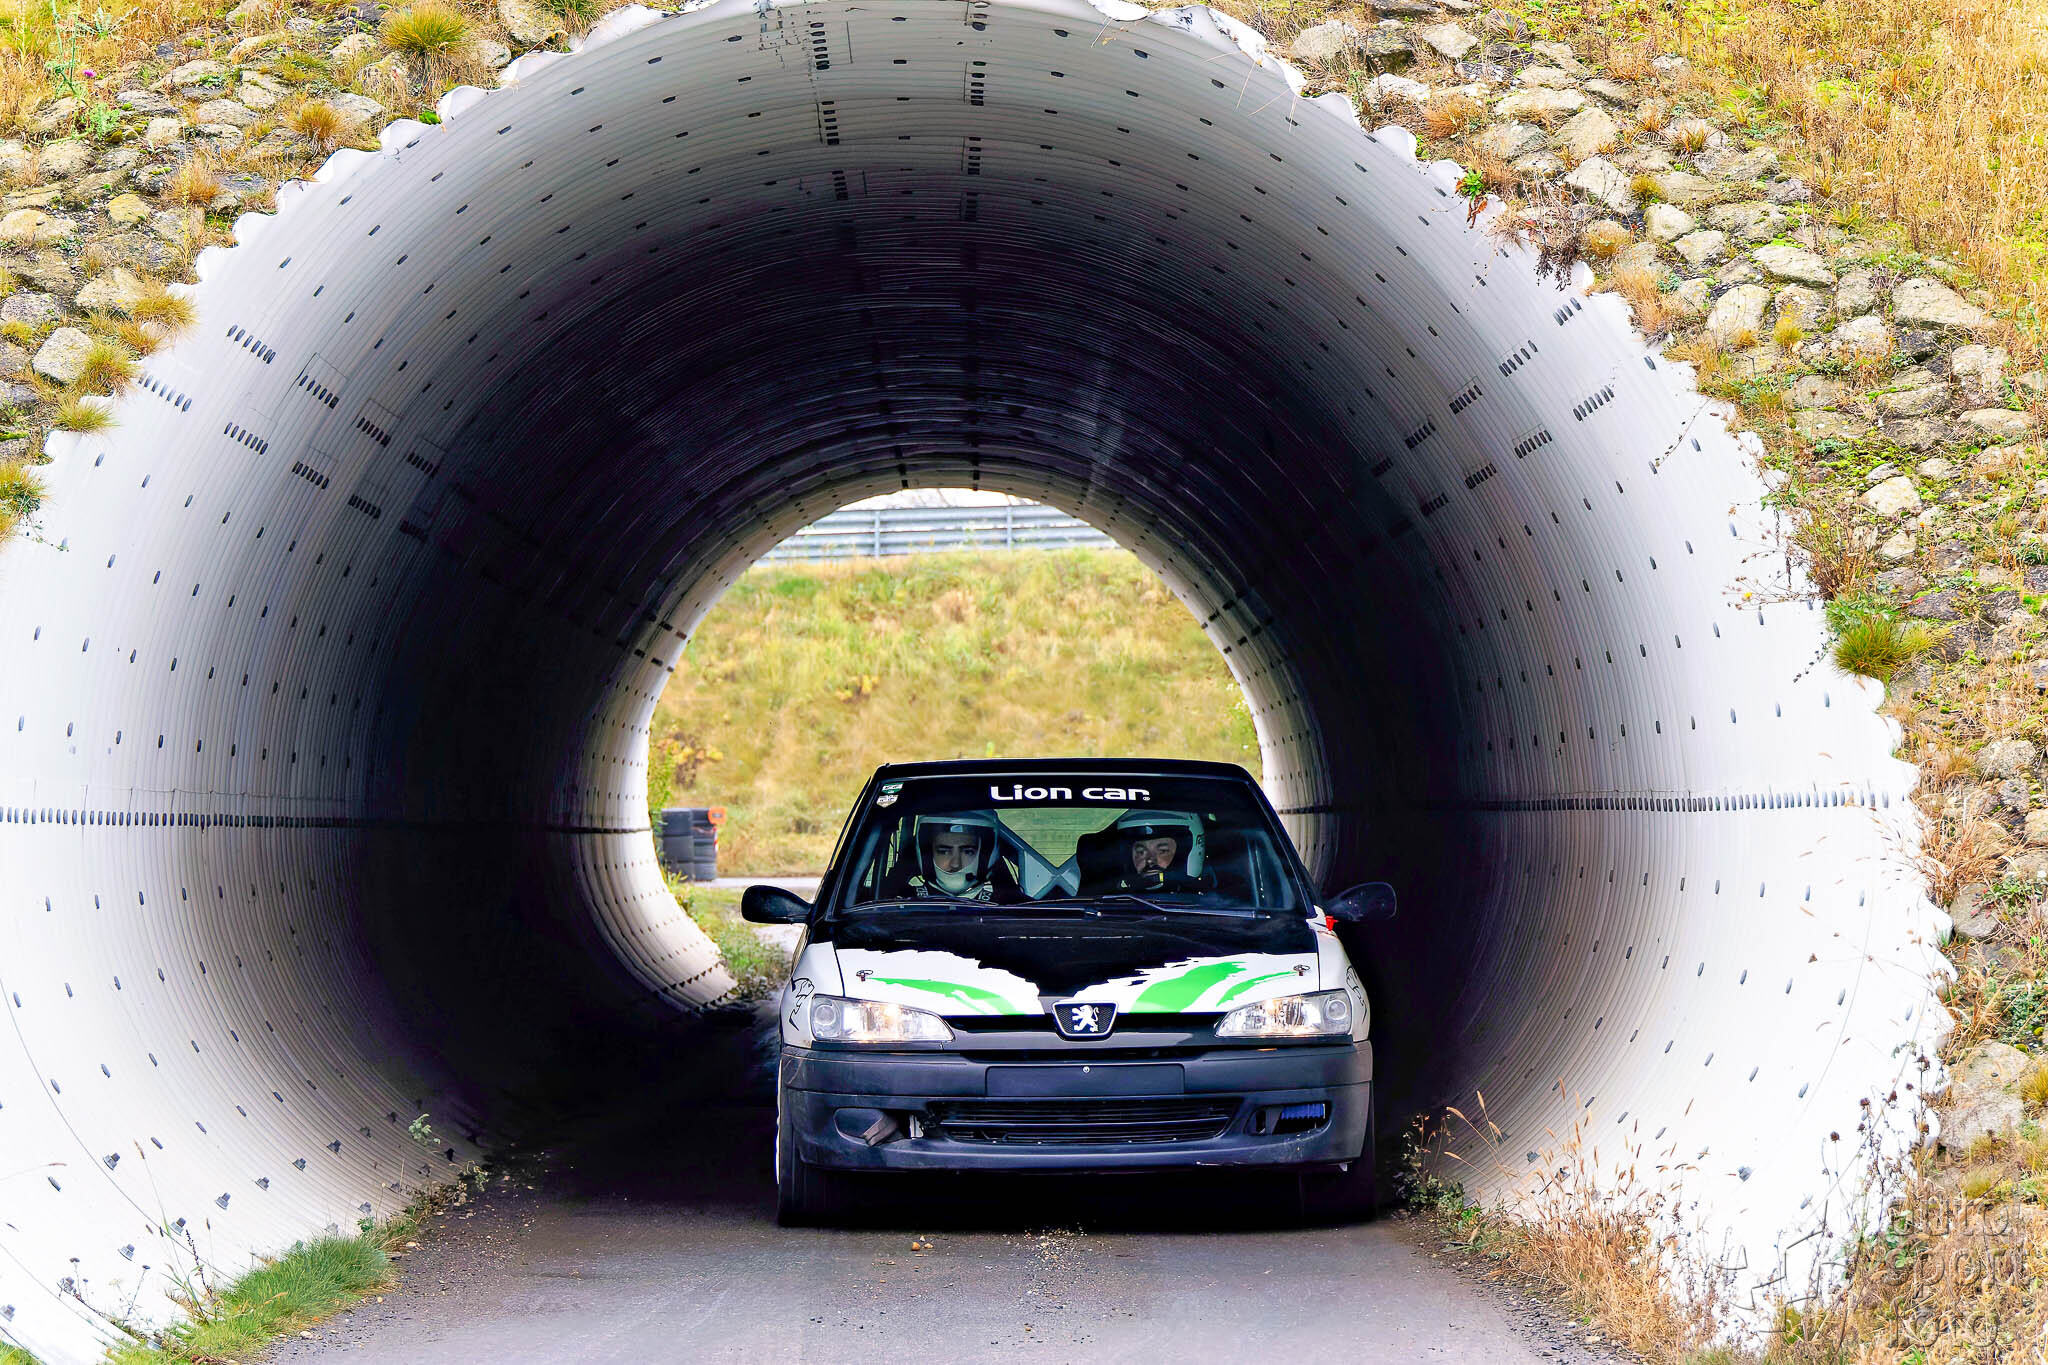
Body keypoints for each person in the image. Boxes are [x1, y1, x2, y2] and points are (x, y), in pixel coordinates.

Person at [884, 811, 1023, 903]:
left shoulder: (1011, 907)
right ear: (927, 855)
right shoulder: (895, 904)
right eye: (944, 851)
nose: (956, 864)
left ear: (984, 857)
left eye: (967, 852)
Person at [1080, 810, 1214, 895]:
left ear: (1187, 852)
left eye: (1162, 851)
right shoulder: (1108, 906)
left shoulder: (1216, 905)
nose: (1150, 860)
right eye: (1140, 852)